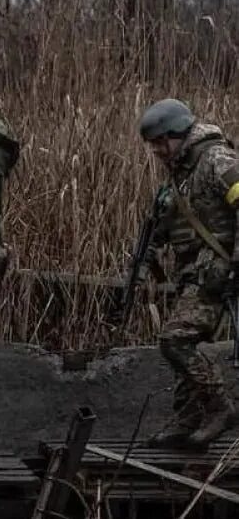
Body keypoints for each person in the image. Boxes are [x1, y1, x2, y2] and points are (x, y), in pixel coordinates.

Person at [138, 98, 238, 449]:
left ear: (179, 133)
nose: (157, 151)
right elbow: (173, 220)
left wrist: (235, 265)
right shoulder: (182, 170)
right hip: (197, 271)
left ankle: (220, 407)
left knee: (175, 340)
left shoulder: (216, 159)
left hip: (218, 271)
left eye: (161, 143)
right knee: (185, 340)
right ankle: (187, 418)